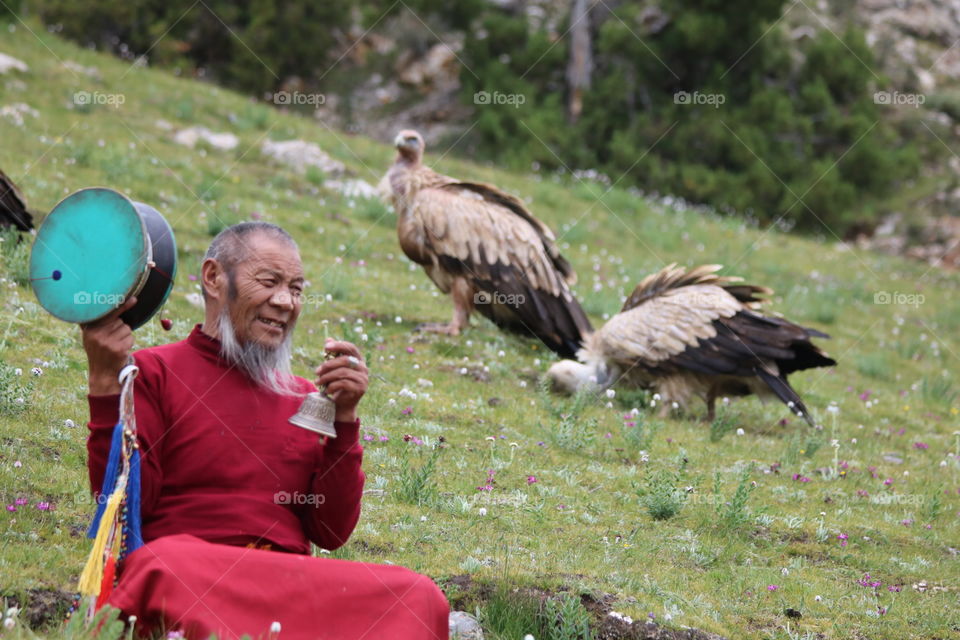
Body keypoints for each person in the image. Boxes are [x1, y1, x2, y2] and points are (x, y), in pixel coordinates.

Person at [82, 222, 449, 639]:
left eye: (296, 289)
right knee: (165, 563)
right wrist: (105, 381)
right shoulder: (154, 372)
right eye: (269, 282)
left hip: (286, 583)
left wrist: (344, 420)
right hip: (196, 573)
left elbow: (330, 532)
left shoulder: (307, 398)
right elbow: (122, 513)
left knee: (419, 596)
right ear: (213, 278)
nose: (285, 301)